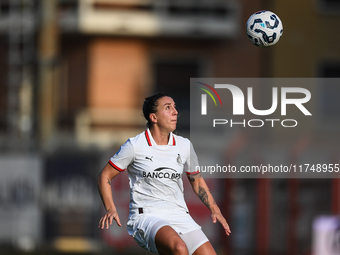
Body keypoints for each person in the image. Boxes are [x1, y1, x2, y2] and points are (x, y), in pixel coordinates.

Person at [97, 93, 231, 255]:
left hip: (179, 215)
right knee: (179, 248)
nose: (175, 112)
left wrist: (214, 207)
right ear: (153, 117)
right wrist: (111, 208)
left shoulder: (184, 145)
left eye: (174, 107)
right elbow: (105, 176)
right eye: (168, 108)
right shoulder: (135, 145)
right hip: (147, 216)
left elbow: (196, 180)